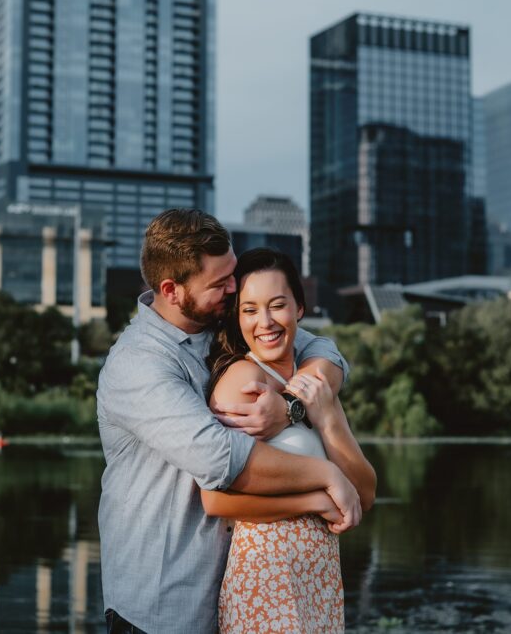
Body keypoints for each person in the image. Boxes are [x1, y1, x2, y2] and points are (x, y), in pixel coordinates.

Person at [97, 210, 360, 633]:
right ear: (172, 290)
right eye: (220, 283)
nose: (234, 289)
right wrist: (327, 477)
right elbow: (224, 459)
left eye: (232, 274)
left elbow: (324, 351)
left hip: (232, 597)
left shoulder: (221, 322)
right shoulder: (139, 364)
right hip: (162, 608)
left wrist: (291, 405)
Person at [201, 248, 376, 633]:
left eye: (277, 305)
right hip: (267, 578)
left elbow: (364, 494)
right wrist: (313, 500)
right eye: (249, 310)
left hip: (319, 580)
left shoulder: (314, 382)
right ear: (237, 317)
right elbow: (215, 499)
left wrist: (326, 417)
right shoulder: (243, 380)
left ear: (299, 307)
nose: (264, 322)